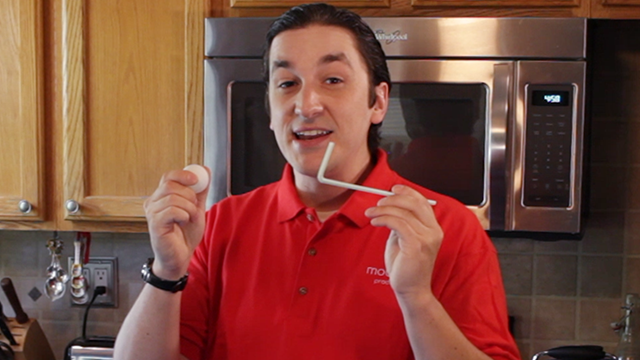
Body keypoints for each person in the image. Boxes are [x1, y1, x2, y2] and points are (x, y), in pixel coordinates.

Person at [114, 3, 520, 360]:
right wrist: (167, 270)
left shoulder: (446, 228)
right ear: (271, 112)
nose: (306, 105)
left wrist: (416, 299)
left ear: (378, 102)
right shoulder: (221, 224)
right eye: (287, 84)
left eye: (333, 80)